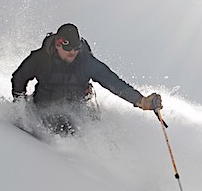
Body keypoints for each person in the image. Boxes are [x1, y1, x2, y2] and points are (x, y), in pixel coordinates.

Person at [11, 23, 162, 136]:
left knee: (86, 129)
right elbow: (19, 78)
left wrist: (141, 101)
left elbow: (112, 82)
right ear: (58, 44)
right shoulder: (40, 59)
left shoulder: (86, 62)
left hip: (76, 110)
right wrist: (21, 106)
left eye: (76, 49)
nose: (73, 53)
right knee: (57, 129)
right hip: (43, 109)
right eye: (68, 49)